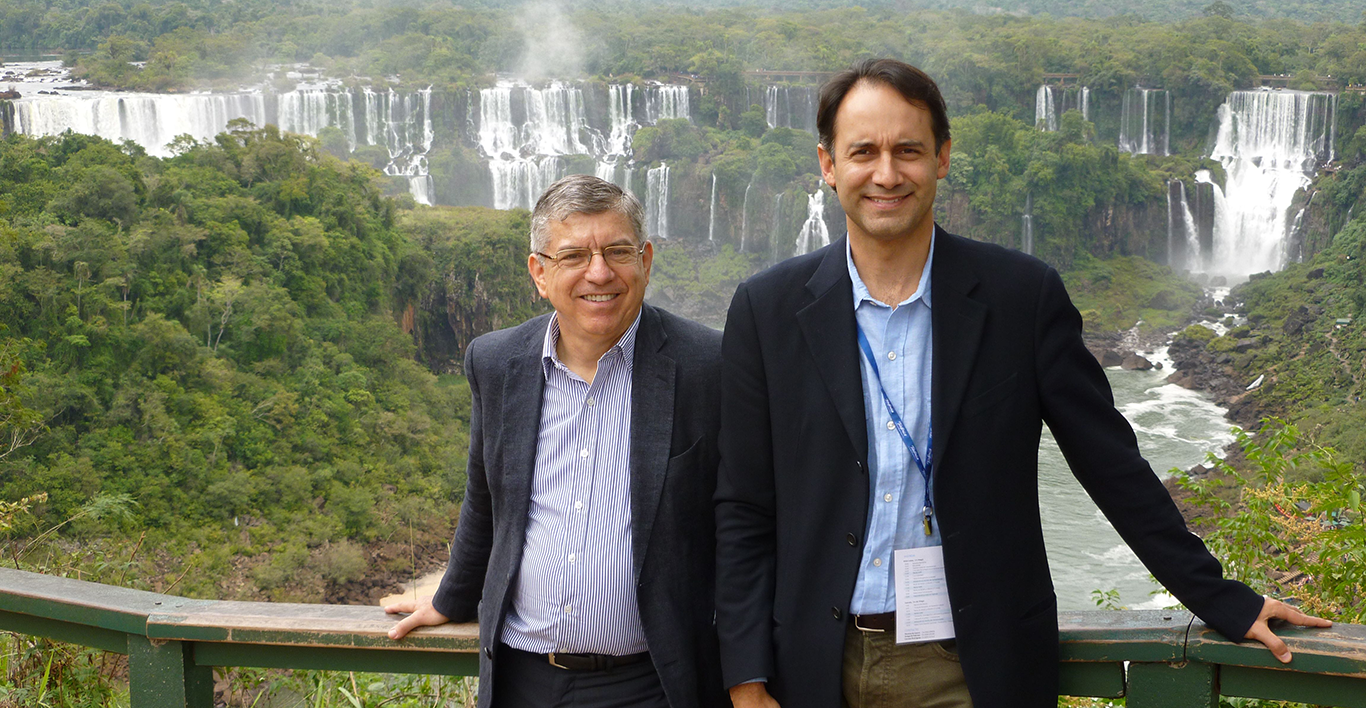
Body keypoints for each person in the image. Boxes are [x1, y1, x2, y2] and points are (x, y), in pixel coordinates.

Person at [713, 58, 1330, 708]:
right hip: (812, 666)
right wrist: (746, 678)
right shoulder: (767, 310)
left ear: (943, 158)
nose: (886, 173)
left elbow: (1110, 464)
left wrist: (1220, 598)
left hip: (971, 667)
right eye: (863, 151)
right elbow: (744, 508)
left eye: (909, 150)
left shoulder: (1020, 299)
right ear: (828, 164)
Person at [386, 175, 726, 708]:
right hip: (523, 680)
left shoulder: (711, 366)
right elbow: (485, 497)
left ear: (647, 261)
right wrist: (453, 595)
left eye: (617, 251)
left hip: (652, 682)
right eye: (573, 256)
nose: (599, 273)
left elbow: (749, 525)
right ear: (539, 272)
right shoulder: (496, 362)